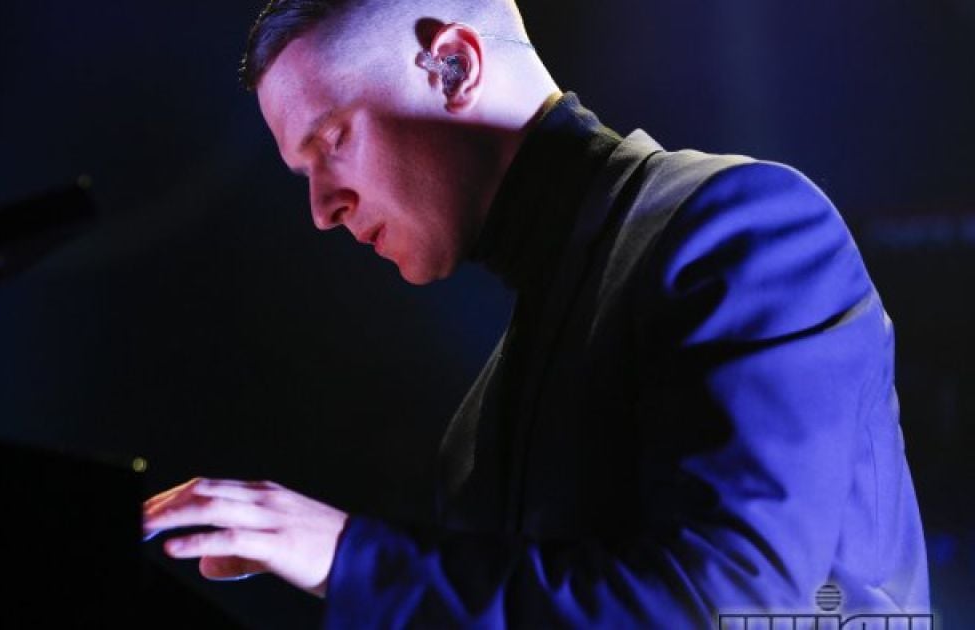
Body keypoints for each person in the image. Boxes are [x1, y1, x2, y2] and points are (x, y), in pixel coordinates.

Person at [142, 0, 931, 626]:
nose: (321, 209)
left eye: (332, 141)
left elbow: (732, 606)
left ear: (454, 66)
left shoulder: (740, 226)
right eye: (302, 172)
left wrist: (348, 557)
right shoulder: (476, 424)